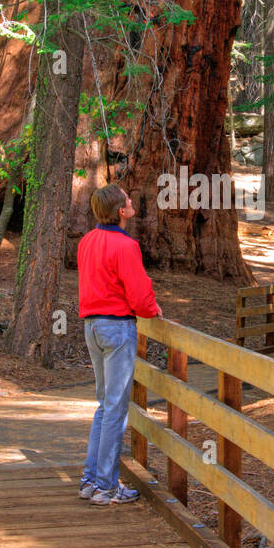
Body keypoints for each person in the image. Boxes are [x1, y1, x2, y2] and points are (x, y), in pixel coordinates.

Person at [77, 183, 162, 505]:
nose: (132, 199)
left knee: (105, 406)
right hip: (117, 328)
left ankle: (91, 481)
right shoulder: (126, 246)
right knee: (115, 410)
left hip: (92, 326)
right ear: (121, 211)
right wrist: (153, 311)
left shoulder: (87, 240)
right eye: (128, 199)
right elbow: (139, 295)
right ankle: (106, 487)